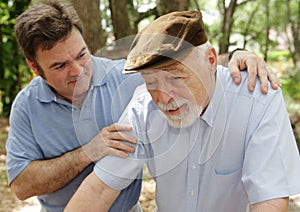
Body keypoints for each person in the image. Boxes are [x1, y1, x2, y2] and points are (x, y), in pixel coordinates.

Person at [6, 0, 279, 211]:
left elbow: (181, 66)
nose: (78, 71)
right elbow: (20, 186)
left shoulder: (122, 79)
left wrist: (240, 57)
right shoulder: (26, 108)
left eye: (82, 55)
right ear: (35, 67)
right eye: (61, 65)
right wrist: (87, 153)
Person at [65, 11, 300, 212]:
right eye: (151, 82)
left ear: (210, 60)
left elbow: (270, 199)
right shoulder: (142, 108)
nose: (164, 97)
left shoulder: (258, 99)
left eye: (175, 77)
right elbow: (100, 188)